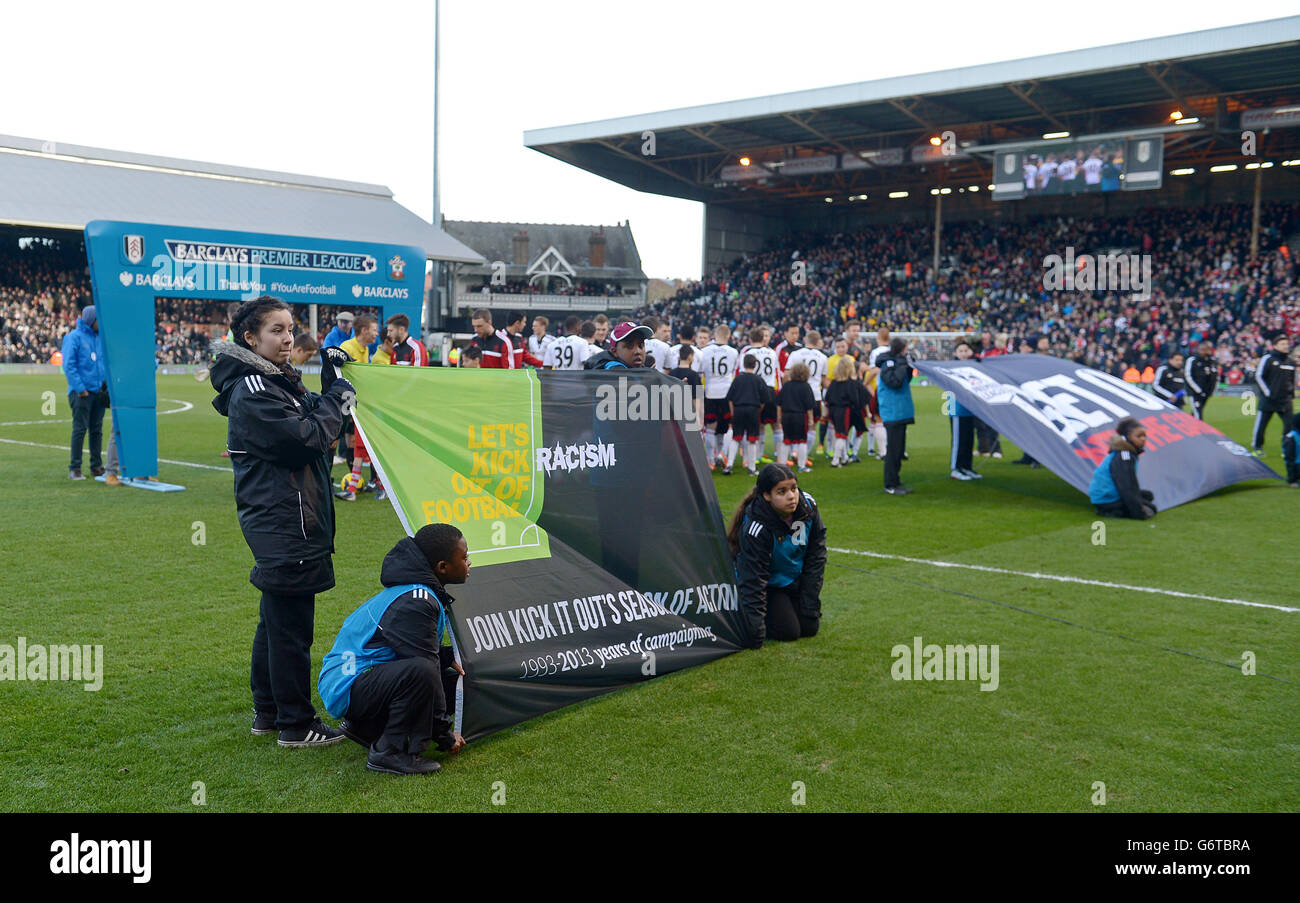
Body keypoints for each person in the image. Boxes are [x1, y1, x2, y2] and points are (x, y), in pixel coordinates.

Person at [210, 295, 355, 746]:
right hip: (284, 521)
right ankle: (295, 724)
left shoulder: (276, 381)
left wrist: (332, 382)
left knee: (274, 621)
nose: (288, 337)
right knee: (292, 629)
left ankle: (269, 713)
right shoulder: (254, 389)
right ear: (250, 338)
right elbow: (308, 437)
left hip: (289, 517)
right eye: (276, 330)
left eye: (290, 328)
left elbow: (316, 416)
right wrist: (336, 399)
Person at [318, 523, 469, 775]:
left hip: (358, 678)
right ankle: (389, 752)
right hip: (347, 685)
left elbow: (400, 648)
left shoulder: (418, 592)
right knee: (423, 671)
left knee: (450, 679)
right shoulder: (417, 600)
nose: (469, 562)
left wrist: (444, 657)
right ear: (442, 567)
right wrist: (444, 736)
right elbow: (423, 668)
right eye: (464, 558)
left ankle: (365, 728)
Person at [728, 463, 826, 648]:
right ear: (766, 496)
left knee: (810, 627)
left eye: (794, 488)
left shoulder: (808, 507)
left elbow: (817, 556)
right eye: (781, 492)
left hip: (794, 579)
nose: (791, 496)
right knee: (789, 632)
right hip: (769, 585)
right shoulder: (757, 526)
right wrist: (755, 632)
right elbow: (754, 578)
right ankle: (746, 614)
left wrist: (810, 602)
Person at [61, 304, 108, 481]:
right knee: (80, 429)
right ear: (91, 320)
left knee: (97, 430)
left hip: (98, 392)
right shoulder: (74, 338)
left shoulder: (100, 338)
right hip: (81, 392)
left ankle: (96, 466)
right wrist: (80, 389)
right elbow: (69, 365)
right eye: (98, 320)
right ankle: (75, 468)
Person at [1088, 417, 1157, 519]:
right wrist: (1139, 513)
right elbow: (1127, 486)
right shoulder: (1124, 456)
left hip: (1108, 495)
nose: (1143, 439)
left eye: (1144, 436)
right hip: (1107, 499)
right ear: (1126, 437)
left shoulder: (1126, 452)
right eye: (1138, 436)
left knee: (1148, 495)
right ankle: (1110, 511)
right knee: (1151, 508)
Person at [697, 324, 740, 470]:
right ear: (728, 336)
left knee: (710, 427)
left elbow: (701, 372)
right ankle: (722, 453)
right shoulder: (734, 352)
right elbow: (733, 372)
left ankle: (710, 460)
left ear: (715, 335)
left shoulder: (705, 351)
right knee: (728, 426)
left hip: (710, 392)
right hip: (727, 393)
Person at [877, 337, 915, 495]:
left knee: (899, 450)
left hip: (900, 411)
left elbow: (907, 379)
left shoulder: (896, 362)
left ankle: (896, 481)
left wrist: (908, 367)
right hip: (893, 412)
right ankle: (890, 484)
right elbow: (895, 382)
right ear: (902, 349)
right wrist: (901, 363)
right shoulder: (889, 364)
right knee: (893, 450)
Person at [787, 331, 830, 458]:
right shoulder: (823, 357)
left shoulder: (795, 354)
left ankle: (794, 451)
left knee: (795, 424)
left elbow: (786, 375)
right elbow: (824, 379)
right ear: (818, 342)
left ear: (805, 339)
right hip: (814, 395)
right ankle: (803, 454)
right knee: (812, 426)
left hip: (796, 395)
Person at [724, 353, 768, 476]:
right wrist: (758, 409)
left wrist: (733, 411)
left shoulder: (738, 379)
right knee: (752, 439)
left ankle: (729, 465)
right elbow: (765, 399)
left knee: (736, 437)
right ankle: (752, 468)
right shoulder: (759, 380)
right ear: (755, 365)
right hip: (753, 409)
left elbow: (730, 398)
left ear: (743, 364)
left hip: (738, 409)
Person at [1252, 334, 1295, 455]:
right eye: (1282, 344)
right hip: (1269, 400)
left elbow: (1291, 380)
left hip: (1285, 400)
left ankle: (1286, 448)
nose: (1285, 346)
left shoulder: (1290, 362)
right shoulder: (1268, 358)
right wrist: (1268, 393)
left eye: (1286, 343)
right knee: (1262, 425)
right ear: (1275, 346)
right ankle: (1257, 447)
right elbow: (1259, 376)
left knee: (1290, 425)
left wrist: (1290, 395)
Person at [948, 340, 982, 481]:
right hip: (956, 408)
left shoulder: (973, 366)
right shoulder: (950, 367)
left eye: (965, 350)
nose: (963, 353)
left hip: (970, 408)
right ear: (955, 353)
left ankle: (967, 467)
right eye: (960, 351)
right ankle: (956, 468)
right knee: (958, 440)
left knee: (968, 439)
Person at [824, 355, 865, 467]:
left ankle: (844, 457)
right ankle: (835, 460)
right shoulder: (851, 383)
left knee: (840, 434)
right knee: (841, 435)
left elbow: (827, 397)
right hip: (844, 411)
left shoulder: (834, 383)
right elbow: (855, 400)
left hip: (833, 410)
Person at [775, 361, 816, 472]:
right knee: (802, 440)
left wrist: (779, 417)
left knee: (786, 440)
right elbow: (809, 406)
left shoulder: (787, 385)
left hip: (786, 416)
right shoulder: (806, 386)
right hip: (800, 417)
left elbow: (779, 403)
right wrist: (811, 419)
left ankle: (782, 466)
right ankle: (801, 466)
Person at [583, 321, 651, 370]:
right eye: (629, 346)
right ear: (614, 351)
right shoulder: (613, 368)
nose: (637, 351)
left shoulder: (642, 369)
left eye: (641, 346)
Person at [1184, 342, 1220, 421]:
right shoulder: (1192, 360)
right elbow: (1188, 376)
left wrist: (1212, 390)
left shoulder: (1211, 361)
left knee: (1197, 411)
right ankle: (1199, 431)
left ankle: (1189, 427)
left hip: (1207, 392)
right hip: (1195, 393)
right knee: (1198, 413)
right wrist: (1198, 390)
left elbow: (1215, 376)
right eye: (1201, 350)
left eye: (1205, 350)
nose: (1203, 352)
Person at [1283, 418, 1300, 488]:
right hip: (1297, 467)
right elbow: (1289, 460)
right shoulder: (1291, 438)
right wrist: (1292, 480)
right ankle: (1294, 480)